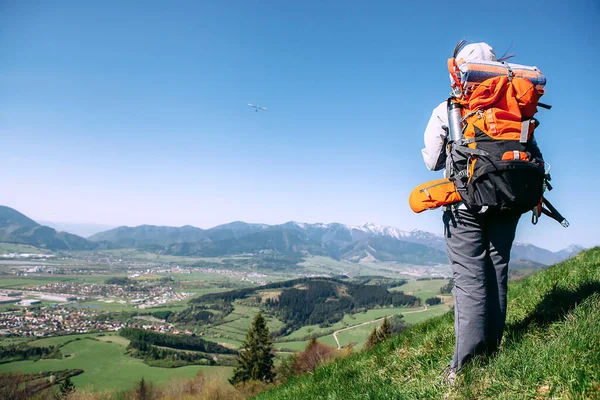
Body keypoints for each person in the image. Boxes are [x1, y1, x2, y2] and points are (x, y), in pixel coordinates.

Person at [421, 42, 521, 382]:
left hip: (465, 202)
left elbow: (433, 160)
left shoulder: (449, 107)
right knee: (497, 271)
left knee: (469, 281)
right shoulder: (516, 100)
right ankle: (491, 351)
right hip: (509, 197)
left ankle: (463, 369)